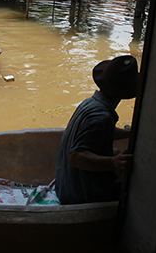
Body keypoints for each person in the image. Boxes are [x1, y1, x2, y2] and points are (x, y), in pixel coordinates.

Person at [55, 55, 139, 205]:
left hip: (64, 188)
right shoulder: (102, 117)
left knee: (115, 153)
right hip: (79, 197)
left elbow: (100, 132)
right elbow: (76, 158)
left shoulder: (91, 103)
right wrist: (113, 162)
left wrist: (128, 133)